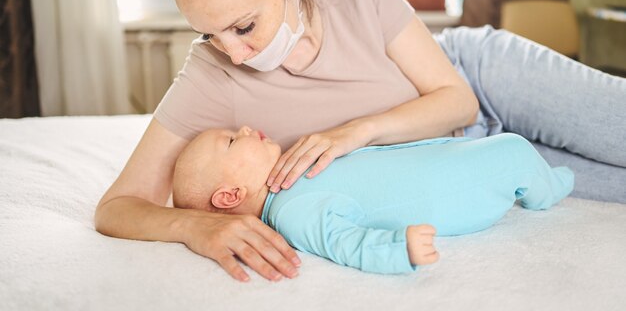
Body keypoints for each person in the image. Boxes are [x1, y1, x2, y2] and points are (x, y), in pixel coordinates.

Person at [94, 0, 626, 283]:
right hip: (459, 156)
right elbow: (118, 206)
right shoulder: (211, 72)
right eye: (208, 33)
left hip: (483, 79)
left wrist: (356, 132)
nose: (232, 52)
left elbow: (457, 98)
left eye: (243, 26)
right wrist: (196, 228)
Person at [172, 126, 574, 275]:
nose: (243, 128)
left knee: (495, 147)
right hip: (450, 189)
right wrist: (401, 250)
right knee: (513, 150)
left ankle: (535, 173)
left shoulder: (286, 181)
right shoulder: (293, 212)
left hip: (438, 159)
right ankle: (548, 189)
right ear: (230, 196)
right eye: (230, 140)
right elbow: (346, 243)